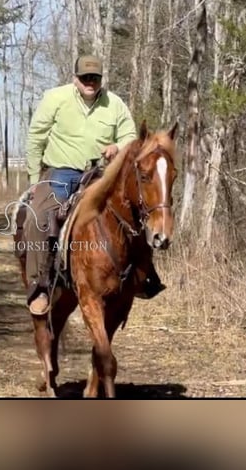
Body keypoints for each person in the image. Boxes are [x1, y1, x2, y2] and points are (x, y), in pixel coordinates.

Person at [23, 54, 165, 316]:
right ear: (75, 78)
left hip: (101, 173)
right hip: (60, 172)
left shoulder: (115, 104)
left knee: (136, 212)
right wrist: (34, 180)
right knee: (39, 219)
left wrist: (117, 147)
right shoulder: (55, 98)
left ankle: (144, 275)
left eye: (95, 78)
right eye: (85, 77)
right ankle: (39, 286)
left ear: (101, 79)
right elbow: (36, 137)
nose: (90, 82)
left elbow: (131, 139)